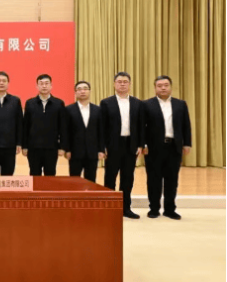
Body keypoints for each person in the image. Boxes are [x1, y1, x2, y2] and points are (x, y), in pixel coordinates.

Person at [142, 76, 192, 220]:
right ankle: (154, 209)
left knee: (172, 180)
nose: (163, 88)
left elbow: (186, 125)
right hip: (153, 148)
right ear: (155, 88)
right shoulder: (146, 105)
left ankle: (170, 209)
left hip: (174, 147)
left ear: (170, 87)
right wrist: (143, 144)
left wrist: (187, 143)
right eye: (159, 86)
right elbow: (142, 127)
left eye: (166, 85)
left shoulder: (180, 104)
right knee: (154, 179)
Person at [100, 72, 144, 219]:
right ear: (114, 84)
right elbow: (102, 127)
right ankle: (109, 208)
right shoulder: (106, 103)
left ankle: (126, 208)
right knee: (110, 177)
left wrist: (140, 145)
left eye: (125, 82)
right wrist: (102, 146)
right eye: (119, 82)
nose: (122, 84)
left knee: (127, 178)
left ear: (130, 84)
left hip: (131, 145)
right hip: (113, 145)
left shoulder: (138, 103)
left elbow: (141, 126)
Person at [22, 74, 67, 176]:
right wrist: (25, 146)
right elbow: (25, 126)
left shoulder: (59, 103)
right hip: (33, 147)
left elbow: (63, 127)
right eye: (41, 84)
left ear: (51, 86)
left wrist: (62, 147)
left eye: (47, 83)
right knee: (34, 174)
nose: (44, 86)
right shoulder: (30, 103)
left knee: (50, 174)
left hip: (52, 147)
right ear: (37, 86)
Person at [64, 81, 105, 182]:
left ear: (89, 91)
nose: (82, 91)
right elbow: (65, 131)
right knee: (74, 180)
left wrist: (101, 150)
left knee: (91, 180)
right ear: (75, 92)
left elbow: (101, 131)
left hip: (92, 152)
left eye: (85, 89)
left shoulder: (98, 110)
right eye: (79, 89)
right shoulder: (68, 109)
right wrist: (67, 150)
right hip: (75, 152)